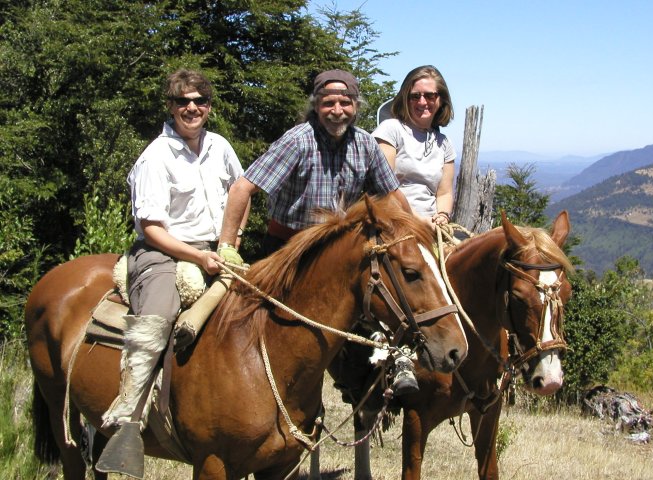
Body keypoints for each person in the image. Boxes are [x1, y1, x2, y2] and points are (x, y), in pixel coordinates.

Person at [218, 69, 419, 394]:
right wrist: (227, 246)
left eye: (345, 102)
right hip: (287, 251)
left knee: (382, 304)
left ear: (356, 106)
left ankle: (382, 375)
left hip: (337, 256)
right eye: (329, 102)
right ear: (316, 105)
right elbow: (242, 188)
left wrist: (412, 240)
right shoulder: (298, 141)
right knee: (264, 330)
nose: (337, 110)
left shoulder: (365, 145)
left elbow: (394, 196)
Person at [102, 69, 246, 429]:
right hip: (163, 252)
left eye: (200, 100)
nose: (192, 107)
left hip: (217, 249)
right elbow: (151, 228)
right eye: (183, 101)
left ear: (209, 106)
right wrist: (198, 256)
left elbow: (240, 193)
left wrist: (232, 240)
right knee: (157, 319)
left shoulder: (221, 146)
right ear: (170, 106)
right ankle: (128, 413)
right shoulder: (156, 156)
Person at [373, 65, 456, 227]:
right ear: (405, 99)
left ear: (441, 100)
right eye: (415, 96)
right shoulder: (390, 130)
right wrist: (420, 221)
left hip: (431, 224)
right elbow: (386, 189)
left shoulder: (444, 143)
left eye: (430, 96)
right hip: (394, 222)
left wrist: (443, 216)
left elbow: (444, 192)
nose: (422, 102)